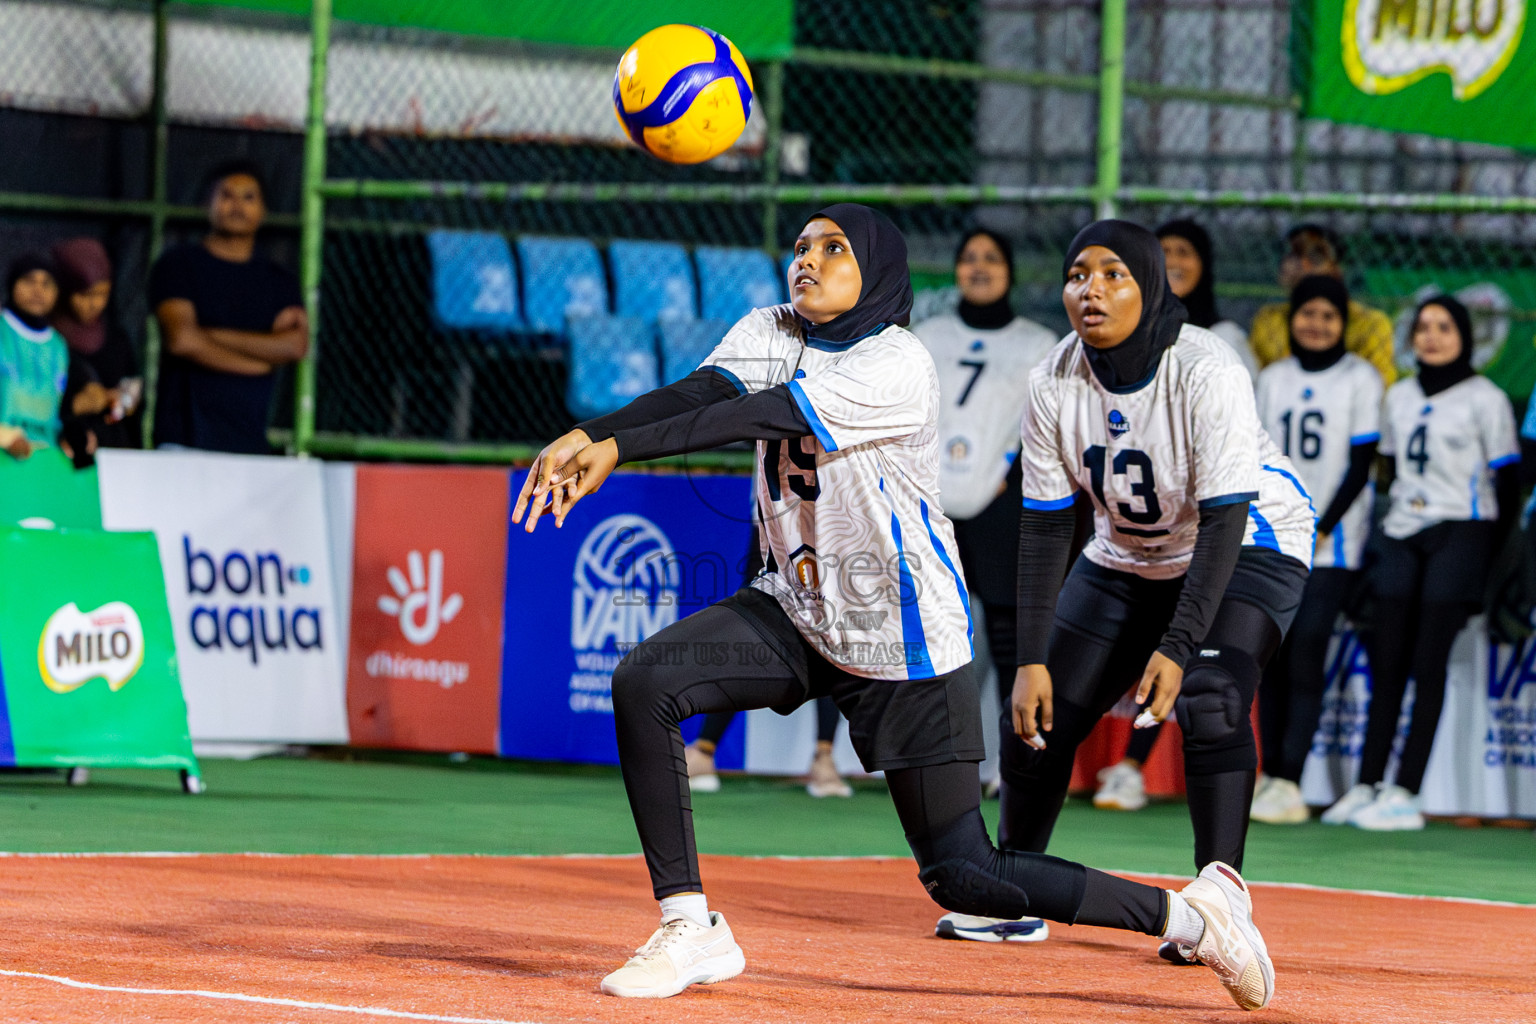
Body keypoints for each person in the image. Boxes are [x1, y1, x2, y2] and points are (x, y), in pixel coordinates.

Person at [512, 206, 1276, 1010]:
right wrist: (591, 431)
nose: (807, 261)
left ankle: (1193, 916)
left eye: (833, 249)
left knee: (966, 875)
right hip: (801, 608)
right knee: (645, 682)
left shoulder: (898, 362)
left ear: (875, 269)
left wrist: (620, 448)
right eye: (801, 248)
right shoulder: (772, 328)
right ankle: (689, 926)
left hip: (900, 631)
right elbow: (706, 390)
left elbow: (760, 416)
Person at [941, 220, 1313, 970]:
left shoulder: (1207, 368)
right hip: (1128, 553)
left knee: (1209, 693)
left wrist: (1177, 646)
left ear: (1151, 284)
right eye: (1079, 273)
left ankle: (1220, 903)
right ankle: (1015, 893)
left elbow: (1223, 521)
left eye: (1115, 274)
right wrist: (1031, 658)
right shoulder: (1052, 379)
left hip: (1248, 543)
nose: (1092, 290)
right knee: (1039, 715)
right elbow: (1046, 529)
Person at [1322, 295, 1518, 831]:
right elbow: (1388, 469)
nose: (1432, 337)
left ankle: (1406, 791)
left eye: (1445, 327)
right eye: (1424, 327)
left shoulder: (1487, 398)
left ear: (1464, 336)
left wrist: (1484, 559)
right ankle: (1367, 784)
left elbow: (1507, 480)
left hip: (1461, 530)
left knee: (1427, 666)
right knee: (1387, 663)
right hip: (1404, 529)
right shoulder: (1400, 395)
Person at [1093, 218, 1253, 814]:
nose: (1174, 261)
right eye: (1164, 254)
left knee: (1193, 648)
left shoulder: (1222, 341)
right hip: (1139, 517)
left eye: (1187, 251)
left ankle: (1138, 768)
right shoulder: (1107, 345)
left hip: (1209, 516)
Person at [913, 227, 1057, 819]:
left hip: (1002, 502)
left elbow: (1047, 423)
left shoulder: (1038, 343)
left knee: (1007, 635)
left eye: (991, 258)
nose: (978, 267)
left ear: (1010, 271)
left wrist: (1013, 477)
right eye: (968, 257)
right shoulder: (928, 337)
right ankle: (940, 763)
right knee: (935, 637)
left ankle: (1013, 763)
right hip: (931, 502)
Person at [1251, 276, 1382, 824]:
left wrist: (1323, 522)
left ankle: (1292, 777)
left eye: (1329, 316)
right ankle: (1271, 775)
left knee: (1306, 655)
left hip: (1330, 544)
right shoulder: (1274, 377)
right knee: (1271, 659)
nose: (1317, 324)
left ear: (1343, 323)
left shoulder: (1361, 379)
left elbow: (1362, 462)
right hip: (1275, 538)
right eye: (1308, 313)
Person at [149, 159, 307, 453]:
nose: (237, 206)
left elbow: (294, 346)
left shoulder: (279, 280)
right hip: (184, 441)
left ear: (263, 211)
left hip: (250, 444)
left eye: (249, 197)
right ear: (206, 204)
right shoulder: (177, 265)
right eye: (226, 195)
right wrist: (260, 363)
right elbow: (182, 341)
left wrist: (210, 337)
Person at [1247, 225, 1395, 385]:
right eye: (1294, 253)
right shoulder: (1269, 319)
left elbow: (1380, 387)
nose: (1306, 264)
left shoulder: (1370, 323)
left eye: (1317, 255)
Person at [51, 238, 142, 450]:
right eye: (84, 294)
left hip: (110, 453)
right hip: (56, 452)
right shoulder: (44, 340)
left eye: (102, 294)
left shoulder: (116, 340)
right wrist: (76, 405)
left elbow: (131, 392)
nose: (94, 304)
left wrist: (117, 402)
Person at [1156, 219, 1256, 380]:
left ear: (1203, 263)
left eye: (1183, 252)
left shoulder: (1224, 337)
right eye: (1163, 252)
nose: (1172, 262)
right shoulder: (1133, 333)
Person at [0, 254, 70, 461]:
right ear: (12, 285)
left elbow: (61, 411)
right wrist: (6, 437)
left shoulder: (59, 345)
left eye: (47, 284)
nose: (38, 290)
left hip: (43, 460)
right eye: (29, 281)